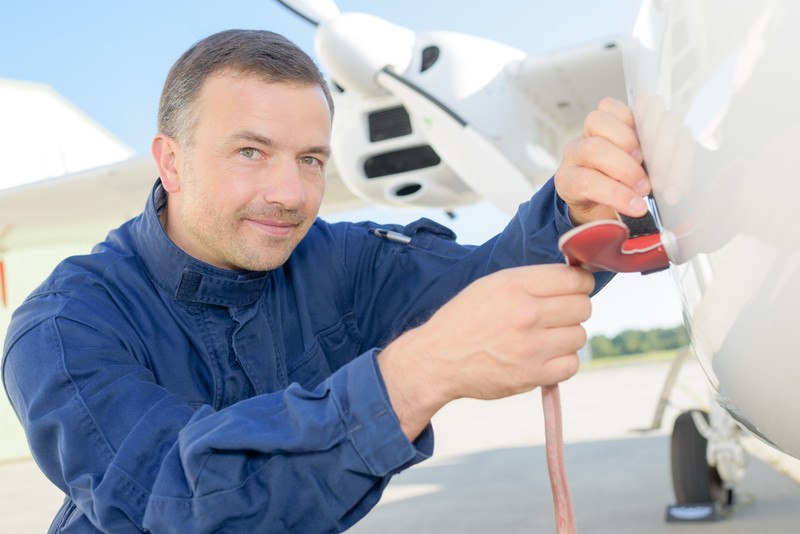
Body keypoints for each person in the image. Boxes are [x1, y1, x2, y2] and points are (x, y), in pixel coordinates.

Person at [1, 29, 650, 533]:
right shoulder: (62, 328)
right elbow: (176, 504)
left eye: (310, 158)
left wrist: (573, 207)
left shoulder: (341, 261)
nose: (290, 194)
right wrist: (410, 378)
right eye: (250, 151)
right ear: (171, 161)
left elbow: (490, 284)